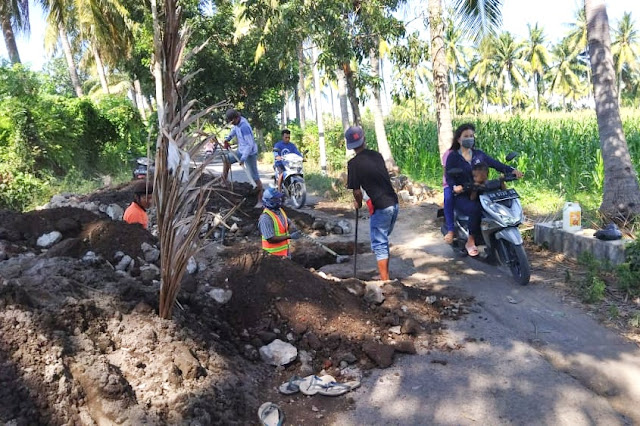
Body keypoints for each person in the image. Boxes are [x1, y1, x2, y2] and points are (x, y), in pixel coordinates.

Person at [445, 123, 523, 257]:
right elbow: (449, 175)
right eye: (466, 136)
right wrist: (455, 187)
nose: (469, 138)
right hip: (463, 193)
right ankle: (470, 241)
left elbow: (495, 164)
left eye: (471, 136)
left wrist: (511, 170)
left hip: (481, 189)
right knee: (476, 208)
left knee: (499, 201)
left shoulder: (478, 154)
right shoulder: (453, 157)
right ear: (459, 139)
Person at [346, 126, 399, 281]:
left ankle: (385, 281)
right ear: (364, 140)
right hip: (394, 203)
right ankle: (384, 275)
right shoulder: (377, 155)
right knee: (382, 239)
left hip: (381, 206)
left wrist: (358, 203)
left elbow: (357, 192)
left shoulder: (353, 164)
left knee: (379, 243)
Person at [222, 109, 263, 208]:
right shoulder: (237, 124)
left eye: (233, 122)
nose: (232, 124)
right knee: (226, 159)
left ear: (237, 118)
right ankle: (224, 181)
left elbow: (250, 145)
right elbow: (234, 131)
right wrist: (227, 139)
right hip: (241, 150)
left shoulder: (245, 127)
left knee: (254, 177)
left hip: (249, 153)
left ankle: (260, 200)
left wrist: (243, 158)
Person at [258, 187, 300, 256]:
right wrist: (289, 236)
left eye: (279, 198)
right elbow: (270, 238)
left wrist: (292, 226)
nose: (279, 200)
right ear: (269, 201)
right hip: (272, 257)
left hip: (285, 253)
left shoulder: (280, 211)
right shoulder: (265, 218)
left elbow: (287, 221)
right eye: (276, 199)